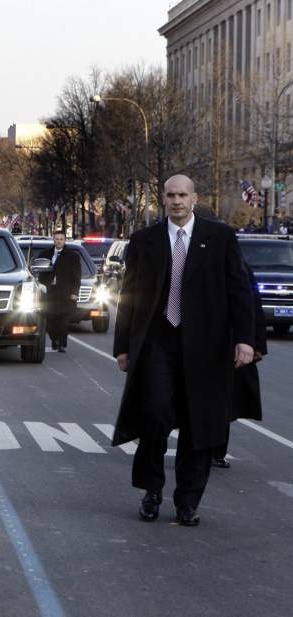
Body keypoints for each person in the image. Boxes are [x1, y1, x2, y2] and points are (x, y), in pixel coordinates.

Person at [112, 174, 255, 526]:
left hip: (206, 348)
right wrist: (122, 347)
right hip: (158, 343)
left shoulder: (219, 238)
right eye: (170, 195)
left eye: (182, 195)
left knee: (199, 425)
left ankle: (188, 502)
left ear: (195, 198)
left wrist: (246, 339)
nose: (176, 201)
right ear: (163, 199)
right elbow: (128, 297)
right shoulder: (144, 240)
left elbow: (239, 290)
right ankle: (152, 490)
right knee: (155, 416)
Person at [211, 260, 267, 469]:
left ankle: (217, 450)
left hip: (229, 344)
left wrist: (256, 344)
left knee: (225, 399)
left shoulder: (239, 267)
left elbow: (252, 305)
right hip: (195, 343)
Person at [37, 230, 81, 352]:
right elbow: (40, 273)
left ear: (65, 240)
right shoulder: (45, 254)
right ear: (53, 240)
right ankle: (54, 339)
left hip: (66, 294)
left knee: (64, 320)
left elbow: (77, 277)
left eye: (61, 239)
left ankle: (62, 342)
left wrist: (74, 293)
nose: (59, 241)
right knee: (50, 319)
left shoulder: (72, 256)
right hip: (50, 293)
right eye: (57, 239)